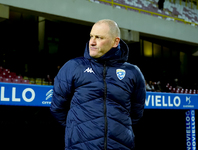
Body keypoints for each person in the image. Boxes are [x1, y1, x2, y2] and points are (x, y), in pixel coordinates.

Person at [50, 19, 146, 150]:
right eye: (91, 36)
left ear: (115, 42)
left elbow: (136, 112)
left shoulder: (132, 72)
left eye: (99, 37)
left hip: (120, 146)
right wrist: (78, 128)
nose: (92, 42)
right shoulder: (73, 66)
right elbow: (57, 107)